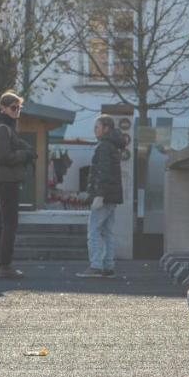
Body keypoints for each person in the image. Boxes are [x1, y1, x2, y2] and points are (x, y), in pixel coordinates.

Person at [0, 91, 33, 279]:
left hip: (2, 179)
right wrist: (24, 155)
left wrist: (23, 150)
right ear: (3, 108)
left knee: (3, 224)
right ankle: (5, 265)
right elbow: (4, 157)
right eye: (13, 107)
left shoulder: (3, 126)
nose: (17, 111)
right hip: (5, 180)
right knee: (9, 223)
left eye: (19, 108)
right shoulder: (3, 128)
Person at [77, 115, 126, 278]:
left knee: (94, 230)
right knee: (107, 231)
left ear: (106, 128)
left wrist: (99, 195)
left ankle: (96, 265)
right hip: (112, 196)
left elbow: (102, 172)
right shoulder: (113, 146)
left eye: (97, 127)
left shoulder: (104, 146)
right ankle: (108, 265)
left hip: (104, 196)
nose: (95, 131)